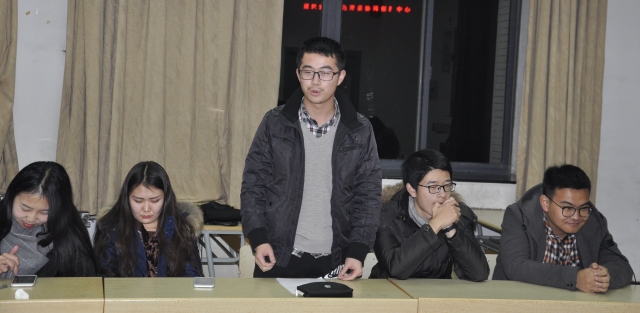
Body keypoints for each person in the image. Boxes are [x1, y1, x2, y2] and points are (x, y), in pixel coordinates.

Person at [241, 36, 381, 280]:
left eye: (325, 73)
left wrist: (358, 252)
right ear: (298, 74)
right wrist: (259, 239)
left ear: (340, 77)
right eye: (308, 72)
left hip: (337, 259)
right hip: (278, 254)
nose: (315, 81)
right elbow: (254, 184)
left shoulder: (359, 130)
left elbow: (368, 196)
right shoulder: (275, 122)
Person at [494, 164, 633, 292]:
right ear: (545, 203)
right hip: (521, 302)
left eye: (583, 208)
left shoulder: (594, 222)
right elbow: (516, 266)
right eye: (567, 208)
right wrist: (574, 278)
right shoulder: (520, 217)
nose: (576, 216)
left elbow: (622, 266)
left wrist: (603, 277)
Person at [370, 149, 489, 280]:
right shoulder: (386, 217)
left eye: (447, 185)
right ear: (412, 190)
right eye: (433, 187)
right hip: (389, 290)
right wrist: (436, 224)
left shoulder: (458, 215)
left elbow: (479, 273)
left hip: (436, 291)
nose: (442, 194)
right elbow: (396, 269)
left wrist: (450, 229)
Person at [94, 161, 203, 277]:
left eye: (155, 201)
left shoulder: (181, 229)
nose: (146, 209)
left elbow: (192, 278)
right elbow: (105, 278)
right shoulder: (111, 229)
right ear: (127, 198)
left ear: (166, 198)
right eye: (138, 201)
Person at [0, 161, 97, 278]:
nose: (31, 218)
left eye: (44, 212)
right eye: (25, 208)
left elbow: (86, 284)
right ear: (11, 197)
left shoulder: (71, 237)